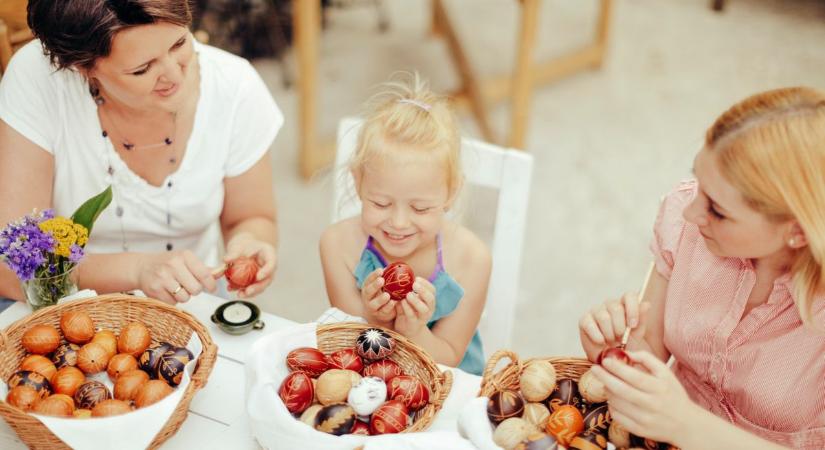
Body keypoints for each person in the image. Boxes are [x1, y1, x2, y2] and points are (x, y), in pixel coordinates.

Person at [579, 87, 825, 449]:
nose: (690, 213)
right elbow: (650, 355)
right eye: (699, 185)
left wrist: (688, 426)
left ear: (798, 232)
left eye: (718, 211)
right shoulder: (689, 227)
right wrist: (616, 349)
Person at [0, 0, 281, 306]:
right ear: (81, 67)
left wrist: (249, 242)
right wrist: (137, 270)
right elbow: (11, 268)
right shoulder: (39, 80)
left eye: (179, 43)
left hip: (193, 303)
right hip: (71, 308)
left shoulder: (234, 85)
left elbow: (251, 216)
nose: (174, 75)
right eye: (142, 69)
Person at [319, 74, 491, 375]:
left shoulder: (472, 259)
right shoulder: (337, 246)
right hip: (371, 379)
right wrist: (374, 319)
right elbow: (349, 345)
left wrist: (415, 331)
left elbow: (450, 357)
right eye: (380, 204)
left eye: (420, 208)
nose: (398, 223)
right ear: (357, 182)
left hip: (445, 384)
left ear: (451, 193)